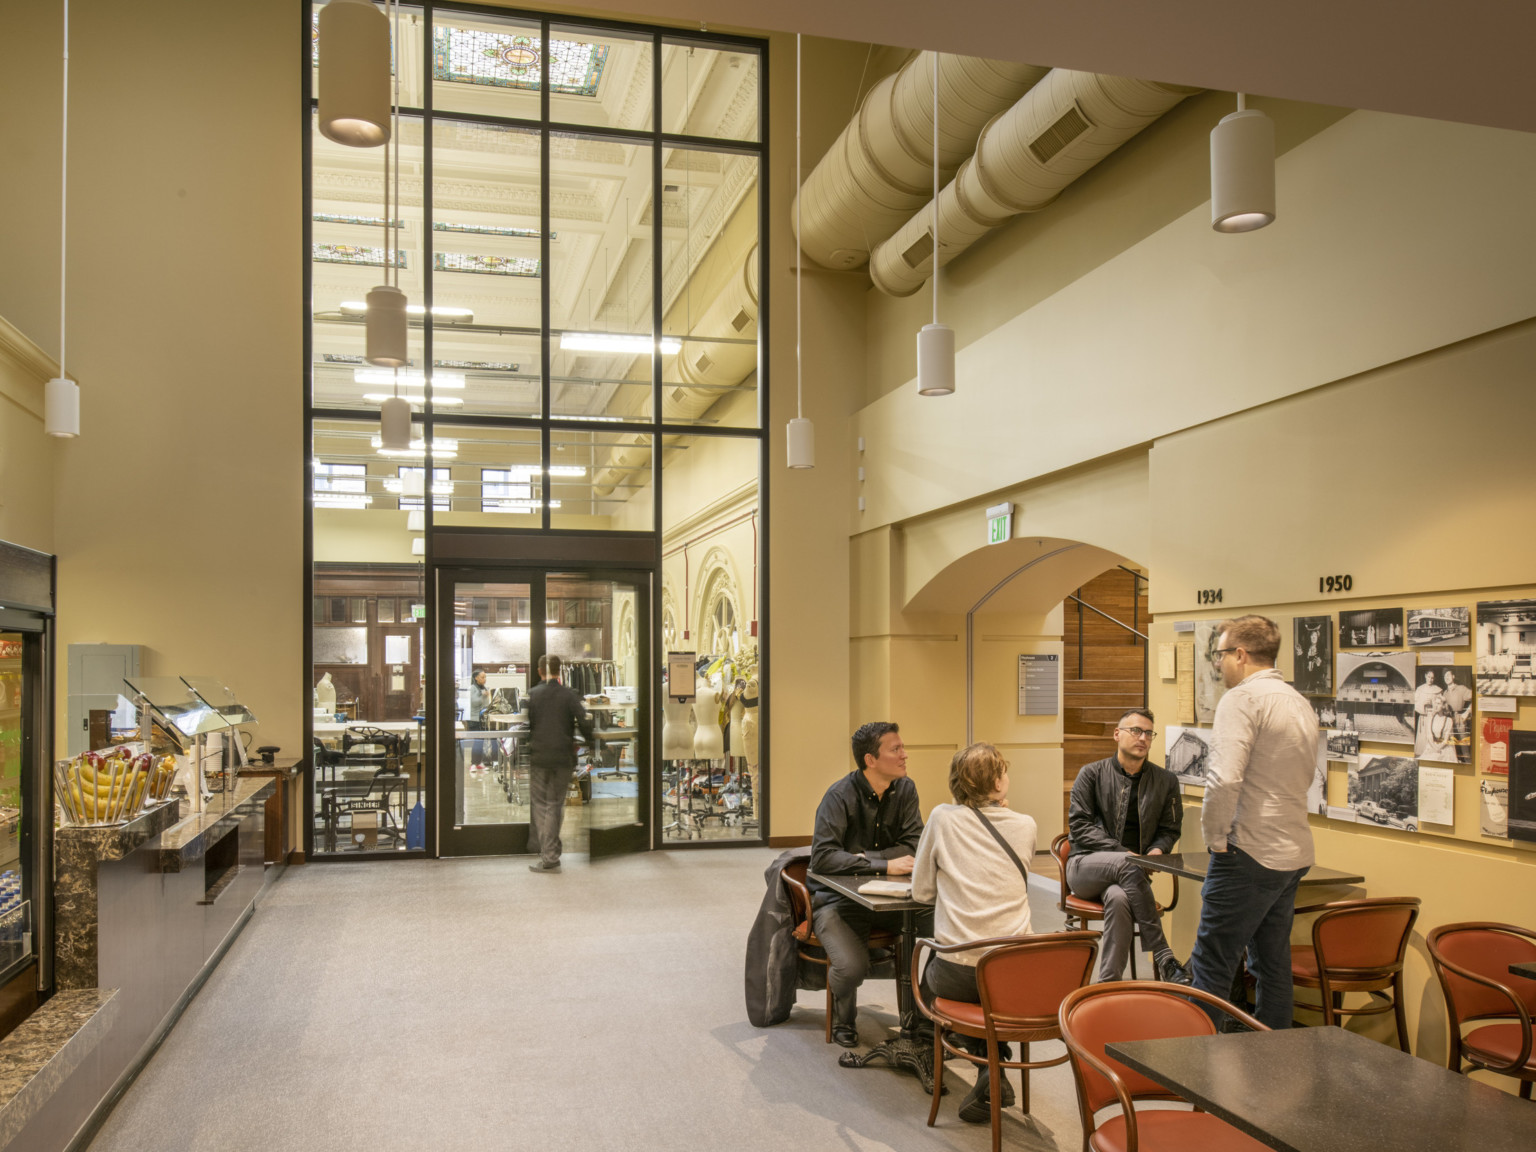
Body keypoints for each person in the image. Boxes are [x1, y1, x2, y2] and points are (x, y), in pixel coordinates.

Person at [1189, 615, 1318, 1030]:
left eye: (1221, 654)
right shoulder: (1298, 702)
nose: (1219, 664)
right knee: (1271, 962)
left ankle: (1196, 1073)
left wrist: (1216, 840)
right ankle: (1272, 1064)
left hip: (1248, 850)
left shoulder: (1242, 700)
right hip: (1293, 851)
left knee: (1211, 962)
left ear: (1240, 655)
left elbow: (1224, 778)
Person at [913, 742, 1037, 1123]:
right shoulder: (1026, 824)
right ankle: (993, 1069)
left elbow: (921, 892)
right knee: (987, 988)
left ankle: (986, 1067)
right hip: (1018, 972)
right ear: (998, 783)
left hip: (960, 973)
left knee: (938, 969)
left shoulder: (942, 818)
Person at [808, 721, 931, 1048]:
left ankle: (925, 1018)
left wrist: (861, 857)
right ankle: (842, 1020)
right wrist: (882, 864)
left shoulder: (906, 789)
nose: (905, 755)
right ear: (870, 760)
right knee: (851, 968)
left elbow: (914, 844)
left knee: (955, 936)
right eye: (896, 749)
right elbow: (822, 858)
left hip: (895, 900)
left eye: (903, 747)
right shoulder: (839, 796)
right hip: (840, 902)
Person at [1065, 707, 1189, 984]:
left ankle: (1107, 985)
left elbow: (1170, 829)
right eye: (1135, 731)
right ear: (1117, 734)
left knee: (1119, 899)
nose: (1142, 737)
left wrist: (1157, 851)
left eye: (1148, 733)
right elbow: (1080, 828)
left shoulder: (1166, 781)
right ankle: (1164, 956)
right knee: (1127, 863)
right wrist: (1127, 855)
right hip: (1085, 866)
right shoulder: (1091, 774)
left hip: (1132, 877)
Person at [524, 654, 595, 874]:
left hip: (540, 758)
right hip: (563, 758)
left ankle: (550, 856)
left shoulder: (532, 695)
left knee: (542, 806)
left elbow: (530, 725)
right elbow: (584, 721)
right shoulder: (569, 695)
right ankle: (551, 850)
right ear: (560, 671)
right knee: (555, 805)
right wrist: (591, 744)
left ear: (539, 671)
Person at [467, 669, 491, 771]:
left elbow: (485, 703)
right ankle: (473, 763)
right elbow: (474, 702)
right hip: (474, 719)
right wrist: (482, 695)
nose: (484, 679)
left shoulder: (484, 688)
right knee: (476, 741)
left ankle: (479, 762)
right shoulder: (472, 688)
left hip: (481, 718)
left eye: (485, 677)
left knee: (481, 741)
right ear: (476, 678)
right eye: (482, 677)